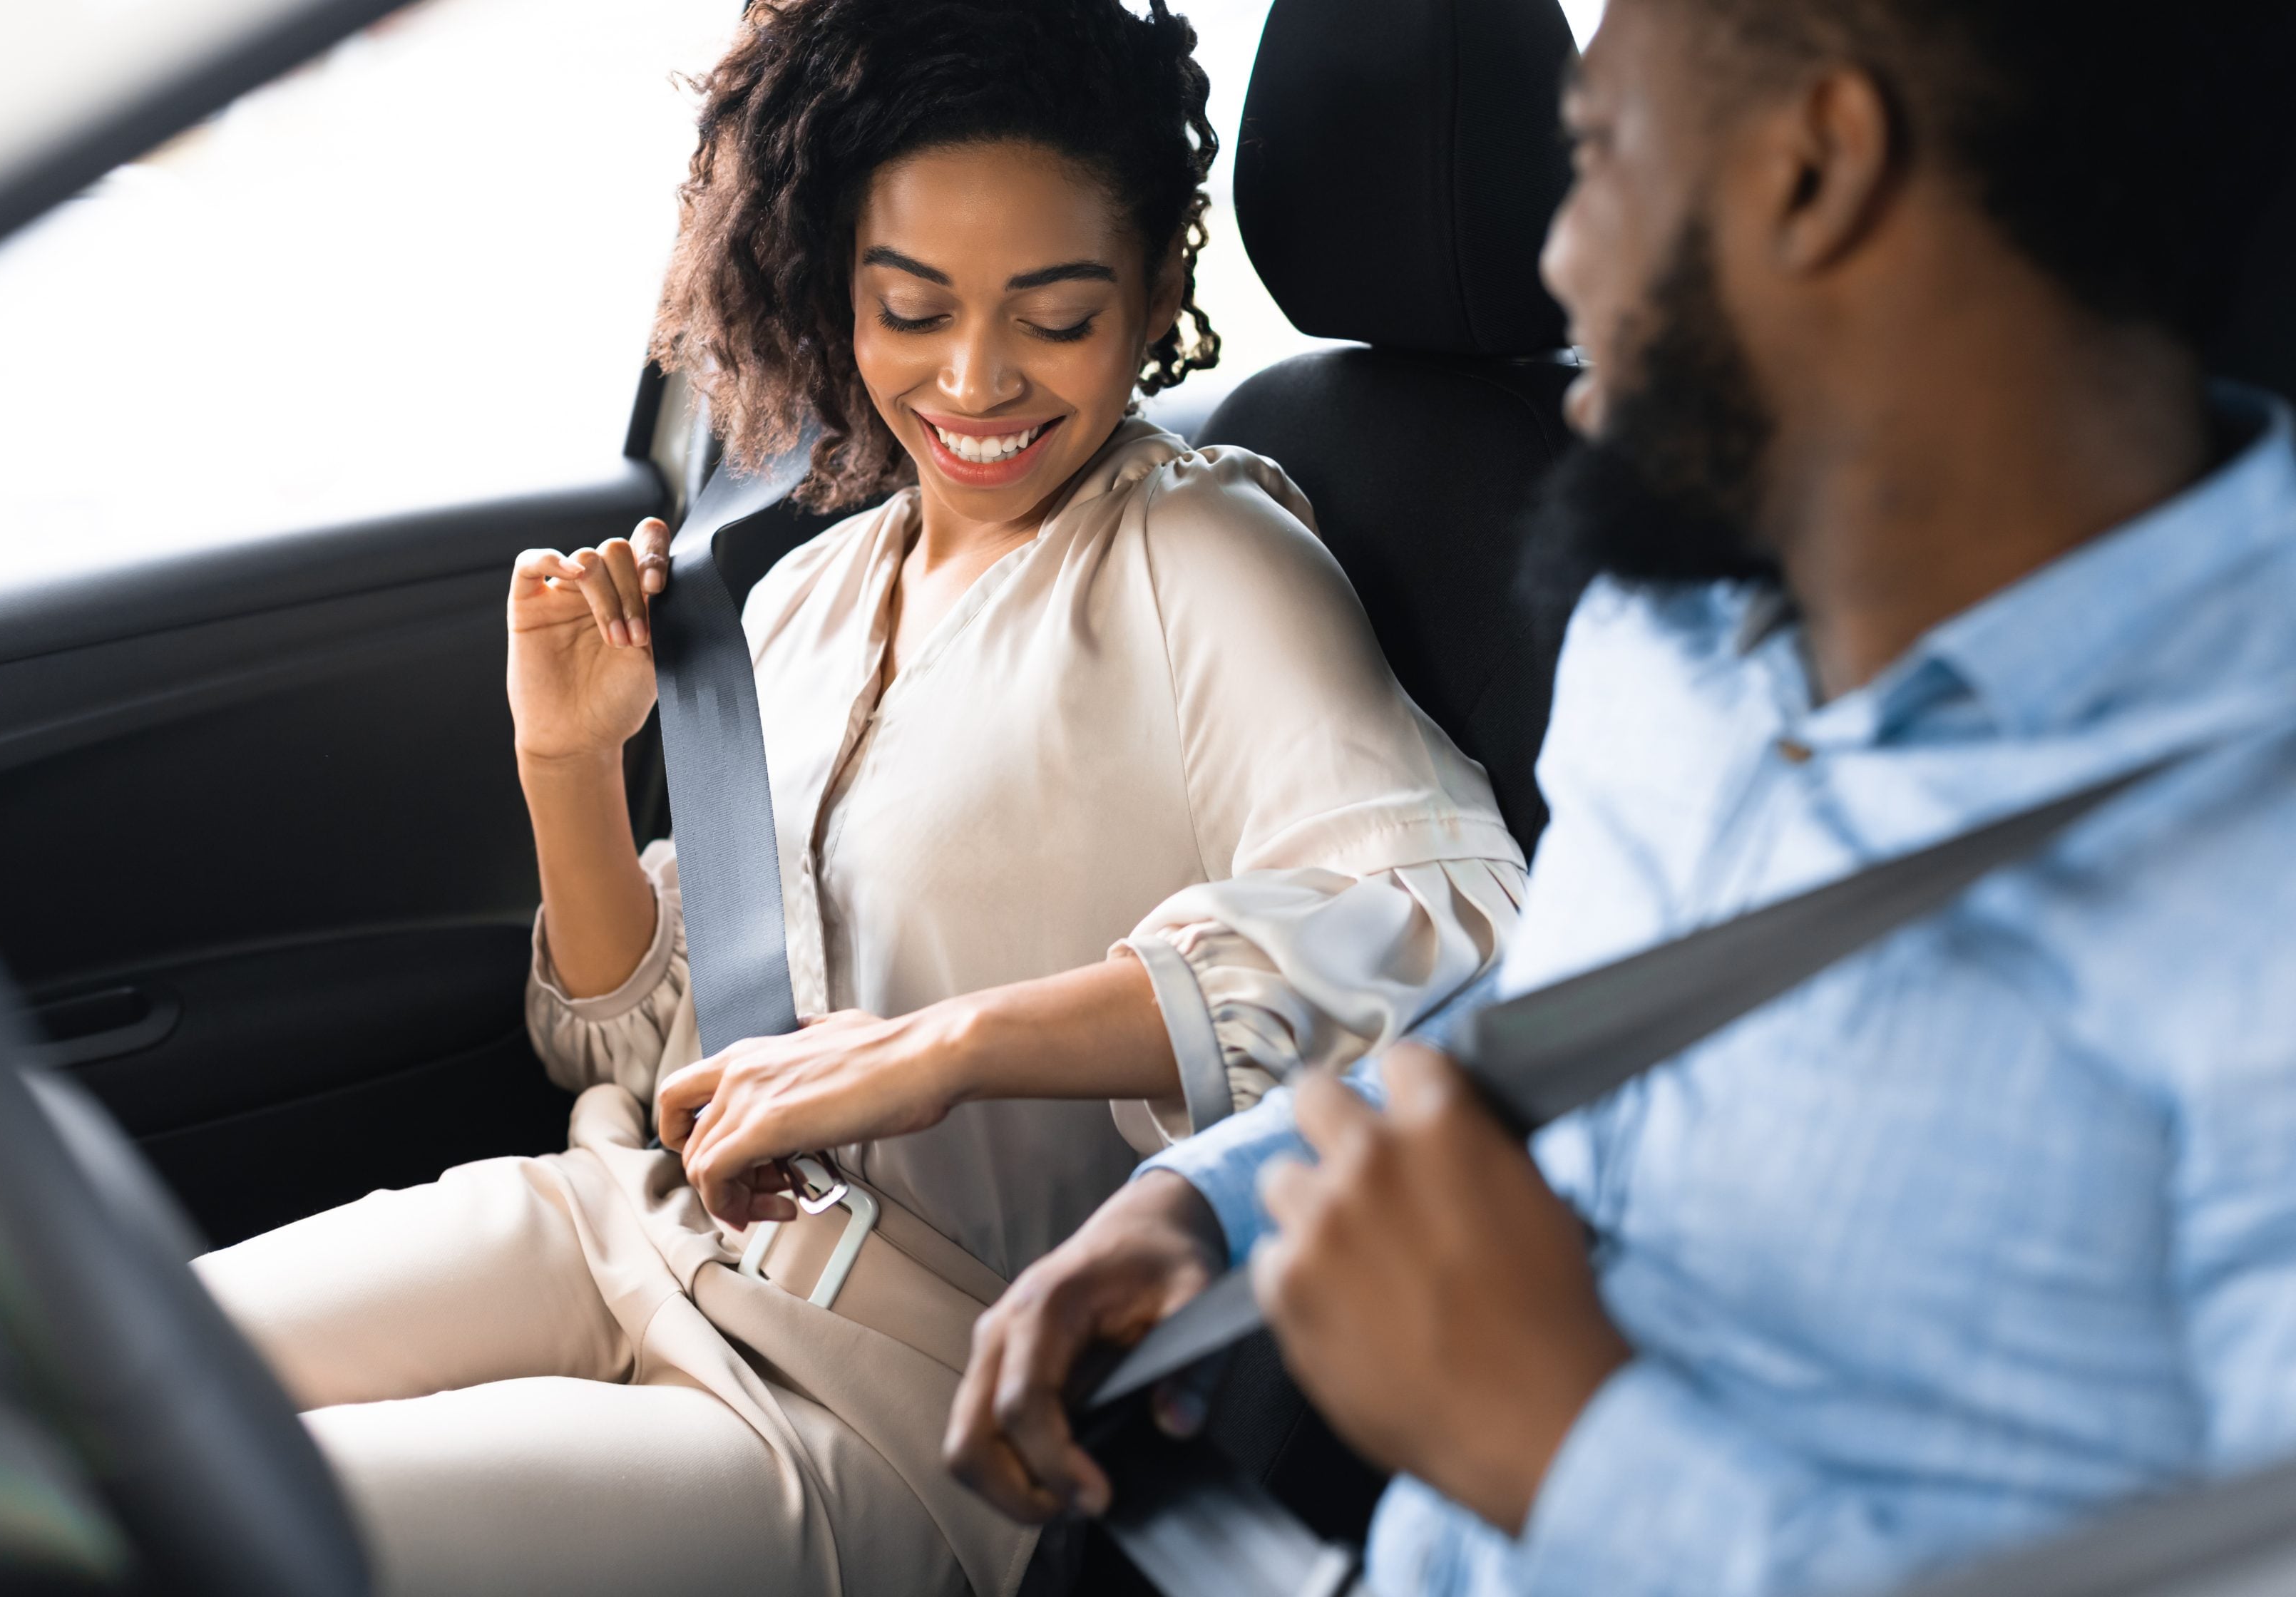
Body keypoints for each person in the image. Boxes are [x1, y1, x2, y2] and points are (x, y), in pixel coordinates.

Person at [945, 1, 2296, 1593]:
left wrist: (1562, 1443)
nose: (1563, 264)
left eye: (1593, 162)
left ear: (1816, 171)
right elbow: (1571, 1018)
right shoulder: (1671, 637)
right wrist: (1210, 1205)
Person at [193, 1, 1528, 1593]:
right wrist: (568, 765)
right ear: (839, 287)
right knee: (65, 1383)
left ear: (1158, 293)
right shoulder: (812, 592)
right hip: (626, 1219)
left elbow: (1450, 936)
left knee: (190, 1524)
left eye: (1056, 313)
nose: (977, 377)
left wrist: (942, 1048)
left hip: (882, 1397)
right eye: (913, 308)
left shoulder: (1207, 561)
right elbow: (655, 1044)